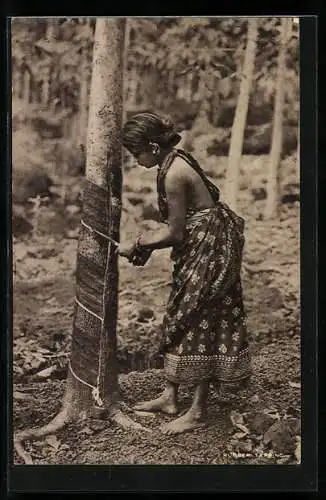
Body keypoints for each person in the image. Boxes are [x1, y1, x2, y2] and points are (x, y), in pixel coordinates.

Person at [119, 112, 251, 435]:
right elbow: (178, 229)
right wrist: (148, 246)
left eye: (137, 153)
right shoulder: (172, 160)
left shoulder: (174, 173)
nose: (135, 161)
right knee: (180, 312)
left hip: (209, 251)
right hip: (200, 247)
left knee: (198, 317)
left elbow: (176, 233)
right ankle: (170, 397)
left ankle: (197, 410)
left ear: (152, 146)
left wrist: (138, 242)